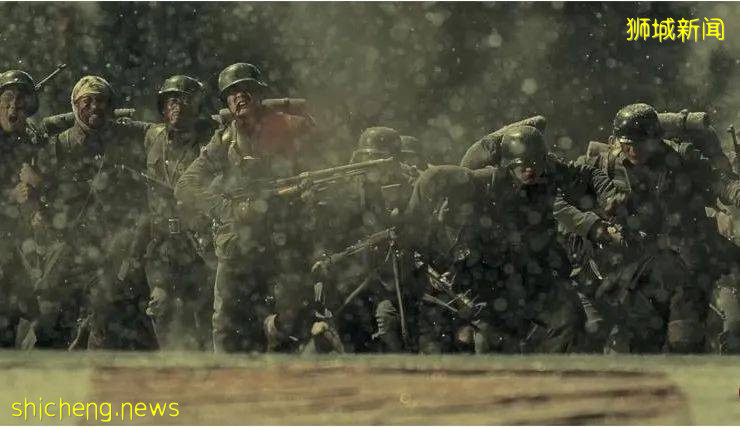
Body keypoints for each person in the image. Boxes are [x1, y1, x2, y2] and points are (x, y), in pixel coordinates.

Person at [405, 125, 620, 354]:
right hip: (491, 276)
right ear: (508, 165)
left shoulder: (551, 171)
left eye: (535, 163)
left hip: (534, 270)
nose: (530, 170)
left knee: (569, 317)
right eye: (522, 165)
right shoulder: (485, 181)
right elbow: (431, 177)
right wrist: (410, 226)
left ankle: (549, 369)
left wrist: (611, 197)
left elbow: (588, 174)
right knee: (493, 339)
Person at [175, 62, 316, 353]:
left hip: (283, 238)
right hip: (239, 243)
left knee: (295, 317)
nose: (239, 96)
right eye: (232, 93)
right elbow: (186, 185)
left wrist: (304, 193)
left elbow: (320, 169)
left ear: (259, 93)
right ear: (227, 102)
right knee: (227, 323)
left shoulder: (291, 127)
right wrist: (228, 210)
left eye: (246, 89)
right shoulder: (224, 139)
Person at [578, 103, 740, 353]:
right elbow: (570, 193)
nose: (633, 150)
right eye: (627, 144)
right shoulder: (607, 165)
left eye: (640, 143)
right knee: (643, 342)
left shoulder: (682, 159)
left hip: (689, 253)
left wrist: (736, 192)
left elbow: (719, 181)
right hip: (640, 262)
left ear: (656, 139)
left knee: (686, 337)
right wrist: (598, 224)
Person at [31, 75, 155, 350]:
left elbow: (157, 136)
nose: (95, 107)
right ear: (75, 106)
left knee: (118, 321)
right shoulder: (58, 146)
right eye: (87, 101)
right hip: (69, 245)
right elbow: (35, 194)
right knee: (50, 321)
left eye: (101, 101)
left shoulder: (125, 140)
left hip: (114, 246)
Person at [142, 75, 216, 350]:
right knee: (162, 310)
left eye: (185, 100)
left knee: (207, 316)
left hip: (200, 242)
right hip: (163, 244)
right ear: (163, 106)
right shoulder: (152, 137)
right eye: (172, 101)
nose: (178, 107)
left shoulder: (213, 139)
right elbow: (103, 126)